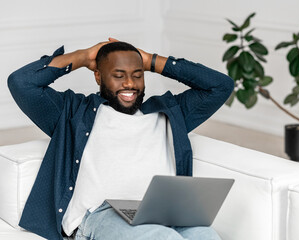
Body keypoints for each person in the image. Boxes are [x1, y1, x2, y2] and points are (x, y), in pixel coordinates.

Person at [8, 38, 234, 240]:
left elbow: (220, 86)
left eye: (137, 75)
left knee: (205, 235)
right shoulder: (72, 112)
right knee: (161, 237)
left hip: (160, 212)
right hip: (99, 216)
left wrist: (151, 60)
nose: (129, 84)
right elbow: (22, 83)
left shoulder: (170, 113)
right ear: (98, 76)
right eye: (118, 75)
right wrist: (83, 56)